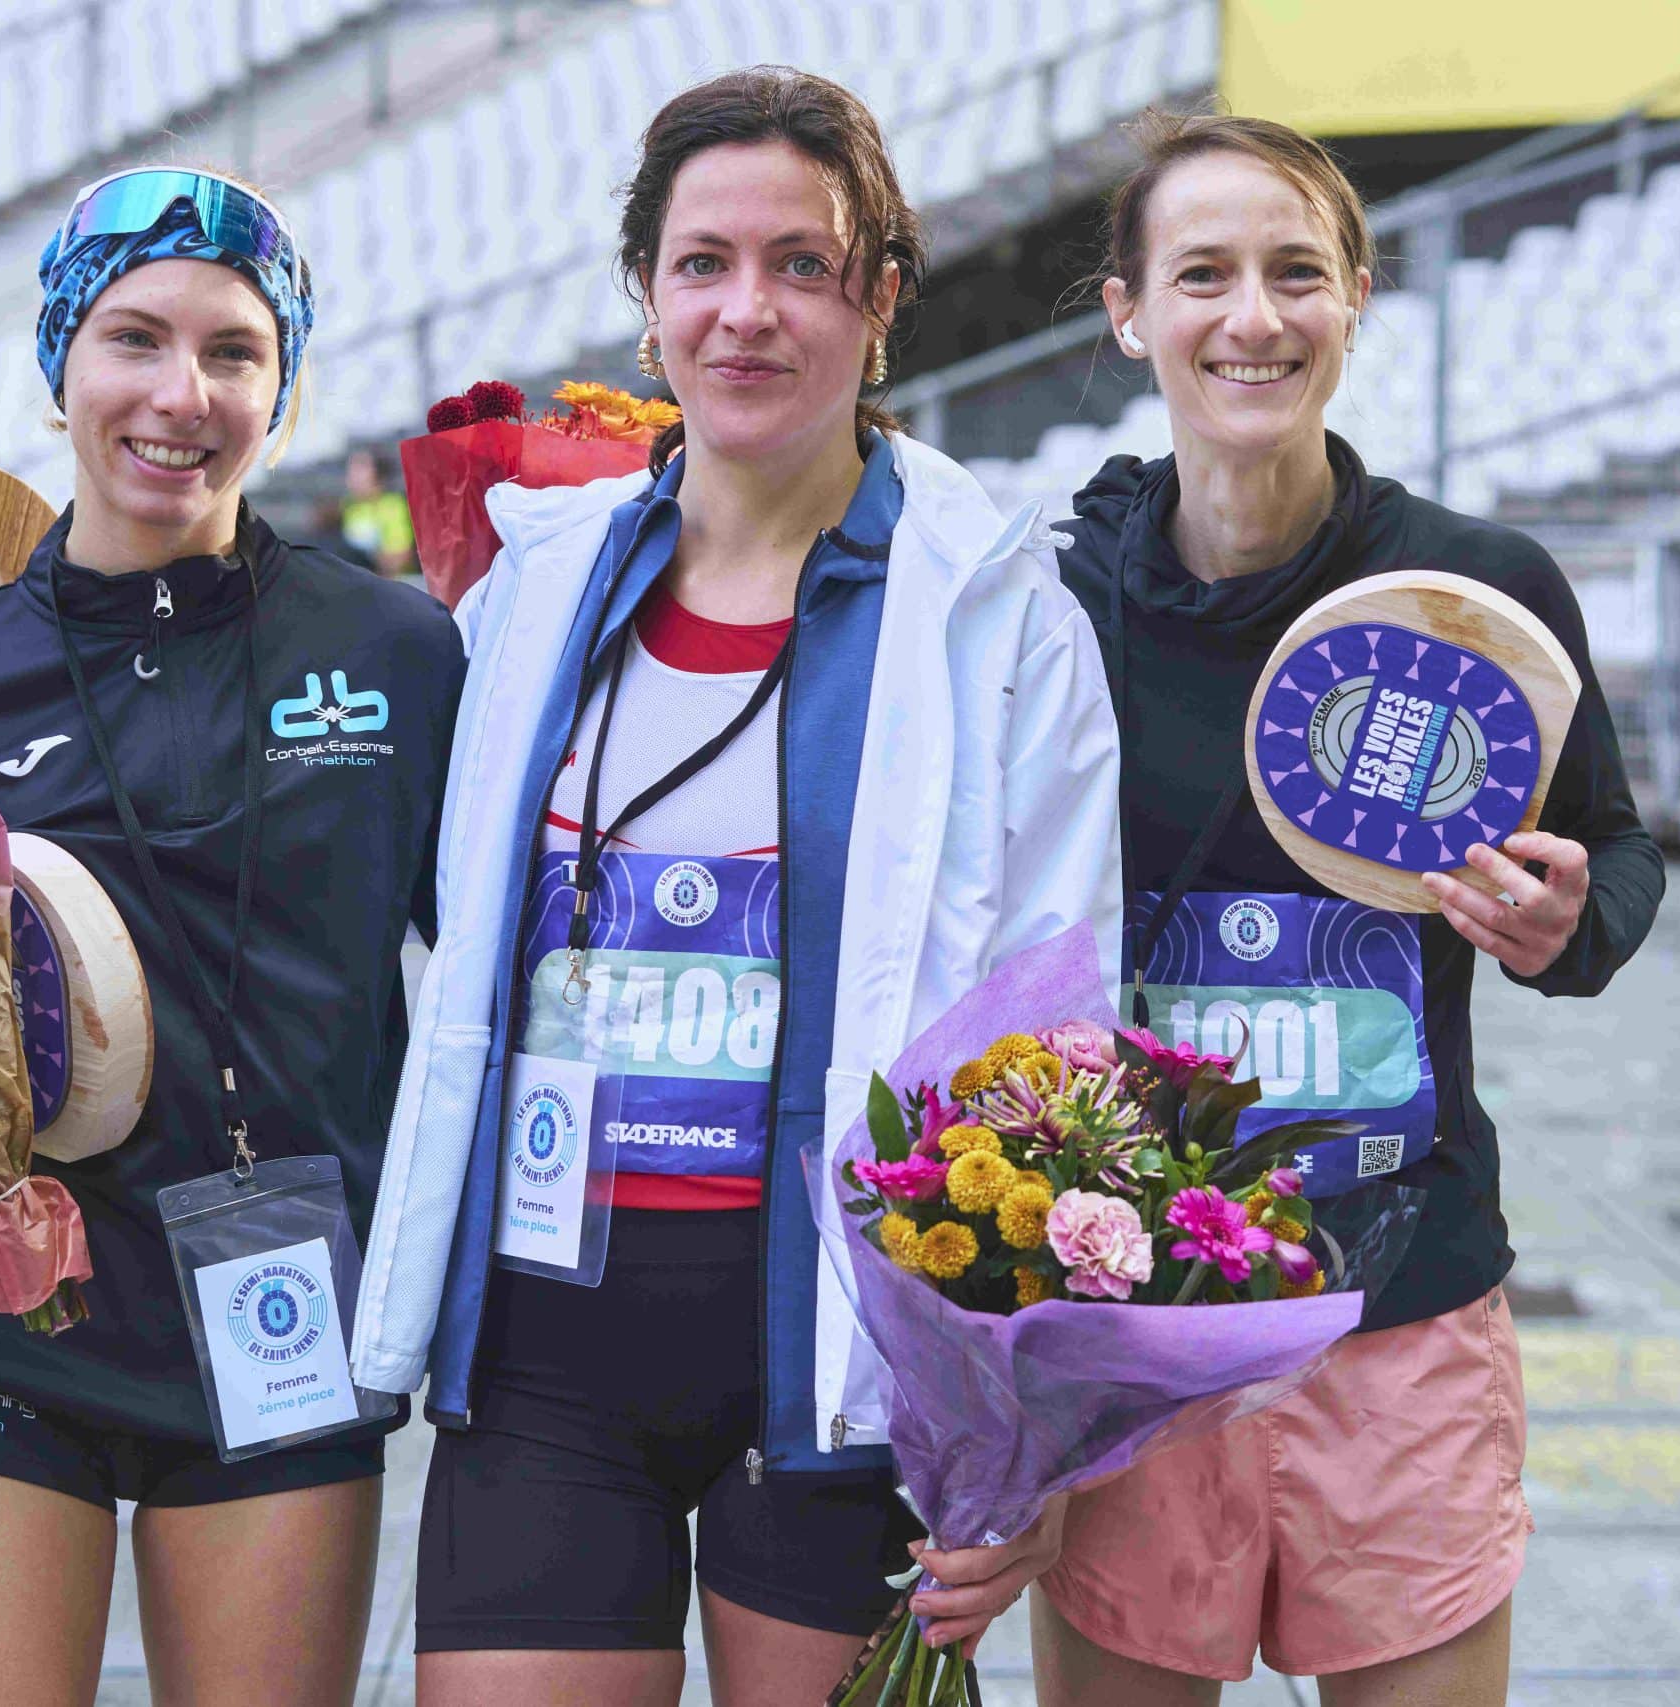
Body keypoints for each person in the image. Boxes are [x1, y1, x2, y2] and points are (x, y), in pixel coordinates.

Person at [349, 67, 1122, 1706]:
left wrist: (1025, 1426)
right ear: (648, 300)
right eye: (704, 264)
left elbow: (1064, 1009)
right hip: (549, 1354)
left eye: (803, 265)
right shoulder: (533, 590)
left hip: (851, 1360)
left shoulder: (994, 607)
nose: (747, 312)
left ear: (882, 298)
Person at [0, 166, 463, 1706]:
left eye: (234, 351)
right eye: (135, 339)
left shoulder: (395, 656)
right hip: (0, 1320)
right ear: (60, 363)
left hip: (280, 1317)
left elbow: (489, 984)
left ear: (283, 386)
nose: (181, 393)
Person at [1032, 111, 1665, 1705]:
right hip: (1138, 1321)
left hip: (1402, 1308)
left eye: (1296, 271)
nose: (1254, 317)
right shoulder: (1053, 609)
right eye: (1203, 275)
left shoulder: (1471, 593)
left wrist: (1560, 919)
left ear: (1358, 293)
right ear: (1128, 311)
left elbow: (1615, 856)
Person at [339, 446, 415, 578]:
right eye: (350, 470)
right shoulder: (349, 506)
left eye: (360, 469)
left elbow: (400, 557)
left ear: (379, 474)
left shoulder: (393, 505)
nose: (352, 476)